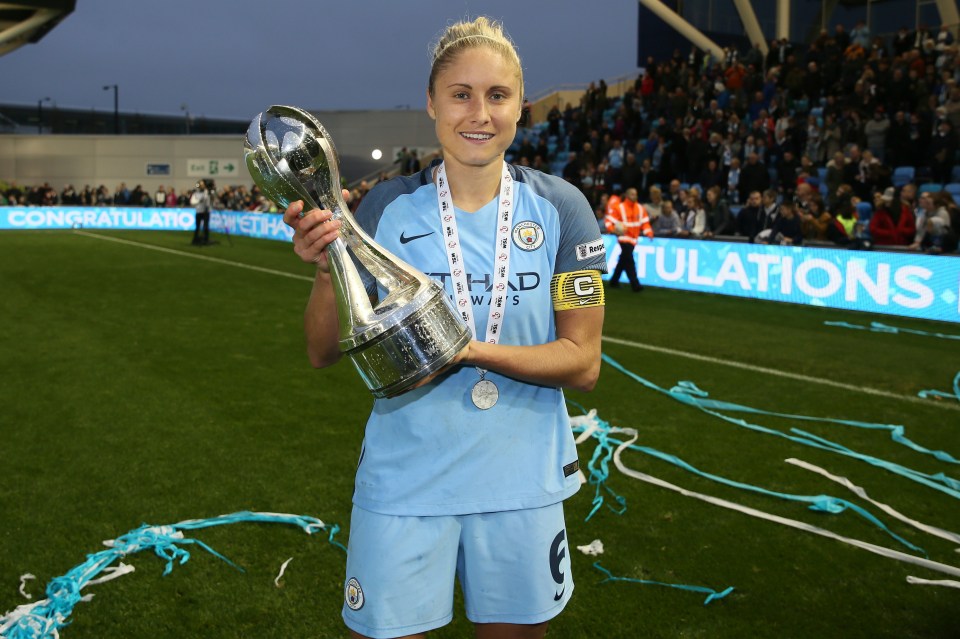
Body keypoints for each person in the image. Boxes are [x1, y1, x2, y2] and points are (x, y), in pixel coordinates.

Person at [283, 17, 606, 639]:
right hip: (407, 479)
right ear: (432, 103)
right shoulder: (383, 208)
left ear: (521, 108)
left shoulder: (564, 209)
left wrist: (461, 351)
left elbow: (583, 362)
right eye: (460, 94)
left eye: (497, 95)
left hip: (520, 480)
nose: (478, 113)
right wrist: (327, 270)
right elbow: (322, 351)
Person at [605, 187, 652, 291]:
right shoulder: (619, 207)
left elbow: (645, 223)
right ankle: (635, 284)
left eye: (635, 194)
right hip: (623, 237)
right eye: (632, 194)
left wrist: (649, 232)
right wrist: (613, 230)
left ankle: (614, 281)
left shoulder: (640, 208)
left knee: (624, 260)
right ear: (626, 195)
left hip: (633, 238)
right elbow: (608, 221)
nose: (634, 196)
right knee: (629, 260)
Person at [190, 179, 212, 246]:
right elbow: (192, 202)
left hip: (206, 211)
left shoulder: (207, 192)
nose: (202, 186)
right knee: (197, 227)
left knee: (205, 227)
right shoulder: (196, 193)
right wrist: (199, 201)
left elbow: (207, 202)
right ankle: (195, 239)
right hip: (199, 211)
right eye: (200, 184)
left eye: (203, 184)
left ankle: (206, 239)